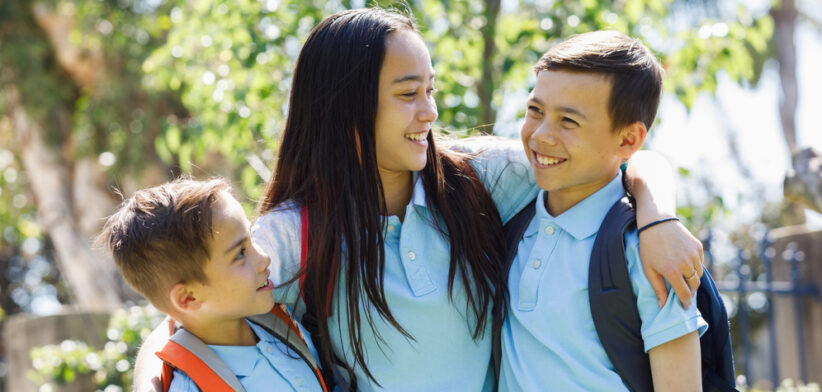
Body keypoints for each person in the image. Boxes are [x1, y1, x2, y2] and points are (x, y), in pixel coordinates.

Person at [134, 9, 704, 392]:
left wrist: (658, 216)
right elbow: (189, 313)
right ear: (348, 112)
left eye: (429, 90)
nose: (429, 112)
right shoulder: (296, 234)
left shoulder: (477, 179)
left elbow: (614, 159)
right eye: (408, 95)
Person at [499, 31, 707, 391]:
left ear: (628, 140)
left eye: (569, 121)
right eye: (535, 110)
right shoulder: (511, 213)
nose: (541, 136)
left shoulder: (648, 255)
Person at [98, 179, 326, 391]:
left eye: (251, 239)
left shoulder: (276, 323)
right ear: (188, 298)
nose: (264, 258)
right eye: (240, 254)